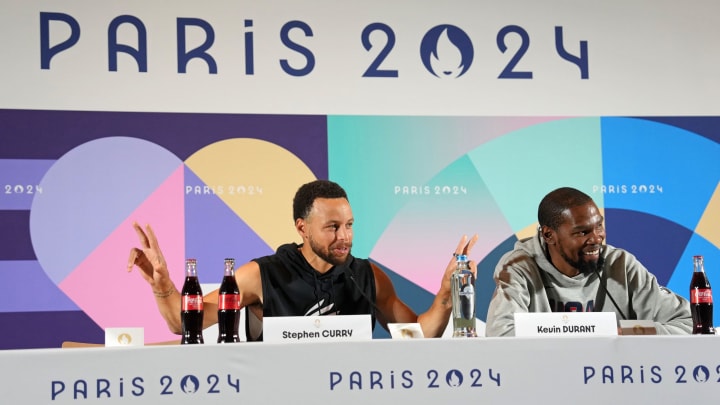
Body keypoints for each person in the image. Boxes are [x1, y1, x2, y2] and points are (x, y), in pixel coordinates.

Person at [128, 179, 478, 340]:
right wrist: (163, 286)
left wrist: (447, 292)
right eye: (333, 227)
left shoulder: (367, 274)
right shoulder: (261, 275)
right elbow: (181, 323)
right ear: (302, 228)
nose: (346, 237)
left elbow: (419, 335)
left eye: (350, 225)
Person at [485, 187, 692, 337]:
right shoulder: (518, 268)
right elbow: (500, 335)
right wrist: (590, 338)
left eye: (599, 226)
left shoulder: (620, 264)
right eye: (582, 232)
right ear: (549, 235)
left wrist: (628, 334)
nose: (596, 238)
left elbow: (689, 323)